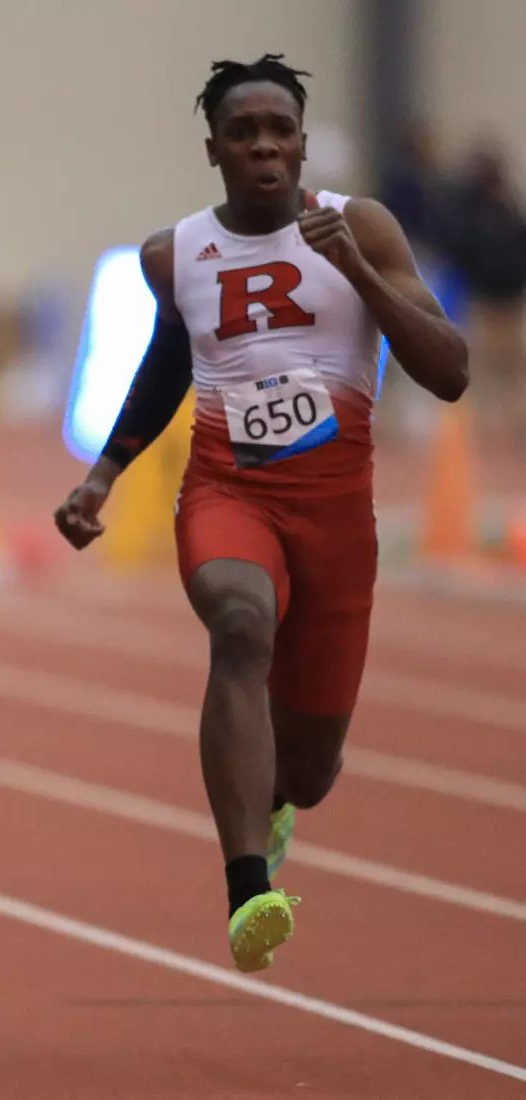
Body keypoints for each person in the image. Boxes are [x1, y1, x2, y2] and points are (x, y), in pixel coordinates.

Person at [53, 56, 468, 974]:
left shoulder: (362, 226)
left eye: (280, 130)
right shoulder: (175, 254)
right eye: (243, 134)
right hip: (228, 494)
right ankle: (248, 888)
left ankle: (276, 804)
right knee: (240, 626)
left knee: (310, 772)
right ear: (214, 150)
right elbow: (167, 362)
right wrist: (104, 474)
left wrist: (354, 268)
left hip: (336, 519)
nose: (264, 147)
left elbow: (450, 371)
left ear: (304, 143)